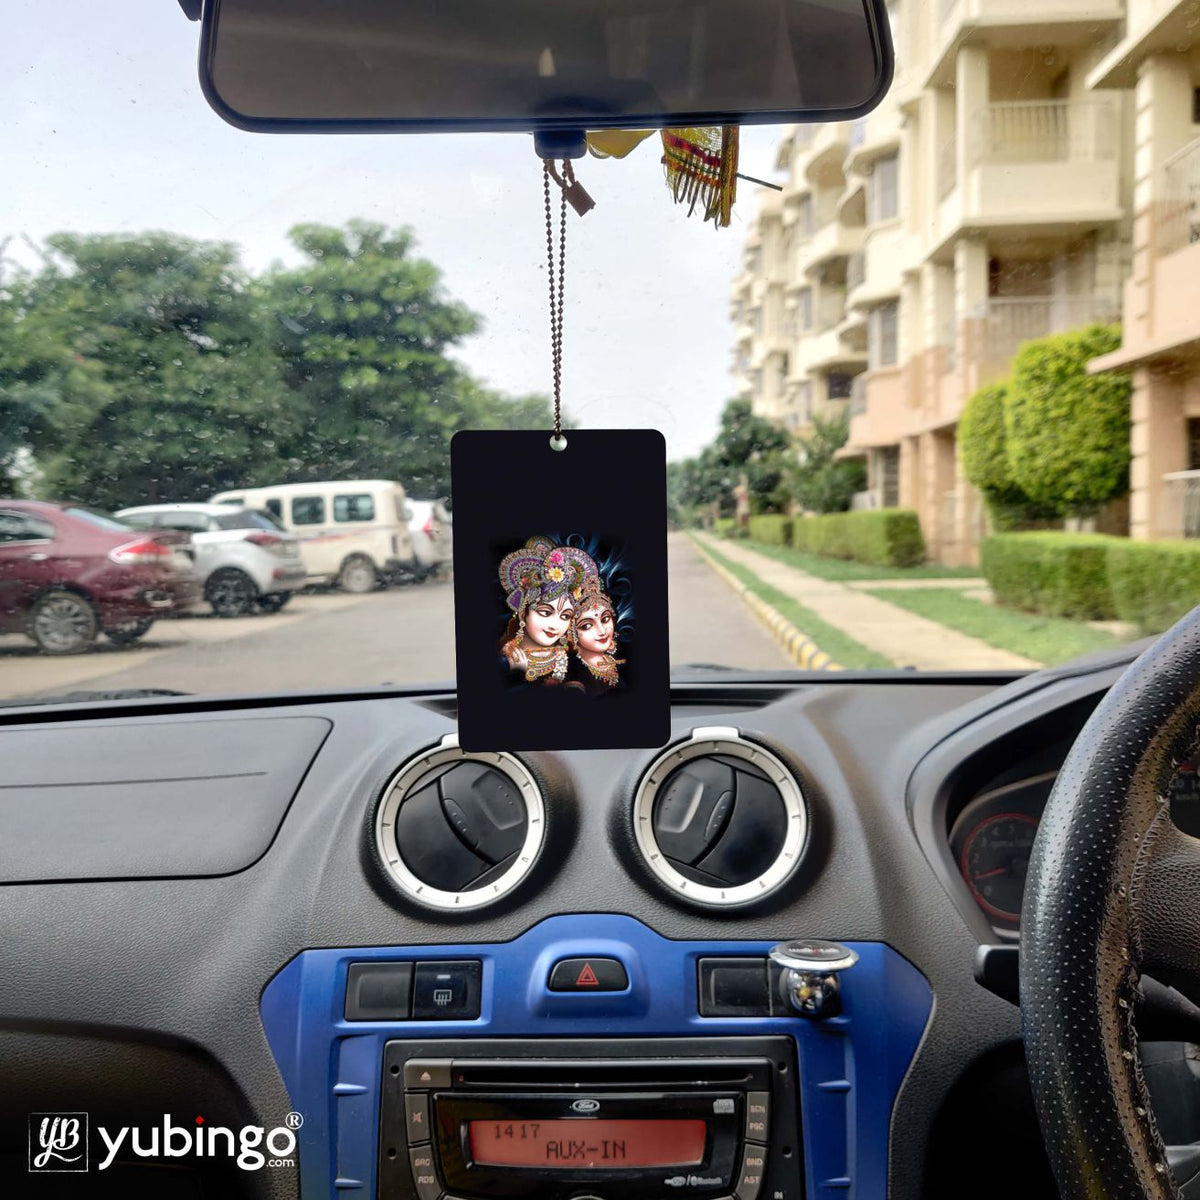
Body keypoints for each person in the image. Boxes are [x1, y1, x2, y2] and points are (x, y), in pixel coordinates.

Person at [497, 536, 597, 684]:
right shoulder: (501, 659)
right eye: (545, 612)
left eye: (565, 616)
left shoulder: (577, 666)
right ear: (523, 612)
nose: (555, 625)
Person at [566, 586, 625, 692]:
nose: (602, 631)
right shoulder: (574, 675)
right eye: (587, 626)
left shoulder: (621, 661)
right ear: (571, 633)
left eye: (605, 619)